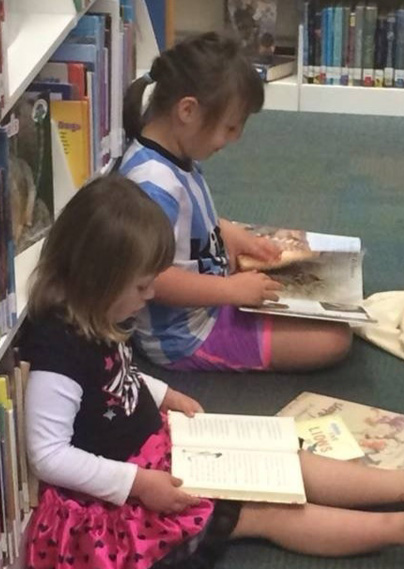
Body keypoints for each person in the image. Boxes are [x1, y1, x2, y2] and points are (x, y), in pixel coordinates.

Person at [22, 176, 404, 569]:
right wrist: (139, 484)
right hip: (114, 502)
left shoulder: (97, 313)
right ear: (98, 280)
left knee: (278, 458)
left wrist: (162, 394)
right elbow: (49, 454)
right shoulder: (57, 352)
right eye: (142, 288)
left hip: (151, 454)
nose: (150, 298)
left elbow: (112, 379)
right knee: (265, 508)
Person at [118, 32, 351, 373]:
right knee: (333, 339)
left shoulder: (174, 155)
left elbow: (186, 222)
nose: (234, 139)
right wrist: (230, 290)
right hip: (186, 336)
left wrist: (232, 234)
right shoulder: (153, 184)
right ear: (187, 110)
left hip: (212, 297)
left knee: (328, 314)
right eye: (229, 127)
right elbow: (156, 279)